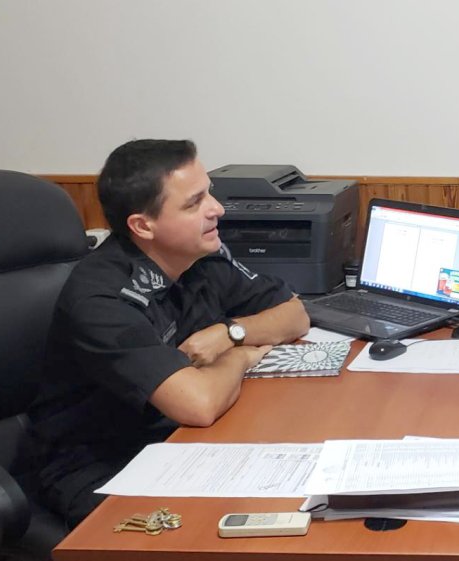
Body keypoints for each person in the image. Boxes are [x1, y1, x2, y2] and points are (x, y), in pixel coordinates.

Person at [27, 139, 310, 528]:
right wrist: (241, 353)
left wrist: (231, 331)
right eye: (194, 203)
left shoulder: (198, 258)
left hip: (178, 444)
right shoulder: (102, 298)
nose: (217, 209)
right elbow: (199, 404)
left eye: (209, 192)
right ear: (143, 225)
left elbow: (295, 315)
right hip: (100, 466)